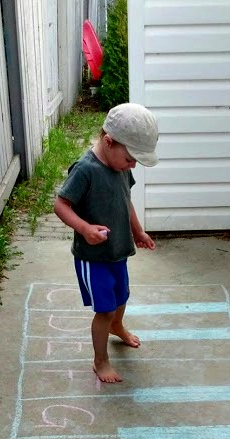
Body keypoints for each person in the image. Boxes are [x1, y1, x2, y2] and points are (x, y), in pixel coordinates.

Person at [53, 103, 158, 383]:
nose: (133, 165)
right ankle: (100, 360)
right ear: (109, 142)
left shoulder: (120, 165)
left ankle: (117, 326)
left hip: (118, 250)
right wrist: (84, 228)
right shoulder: (85, 170)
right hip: (94, 256)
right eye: (130, 158)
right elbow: (61, 205)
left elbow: (126, 200)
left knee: (121, 296)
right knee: (105, 308)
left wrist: (138, 231)